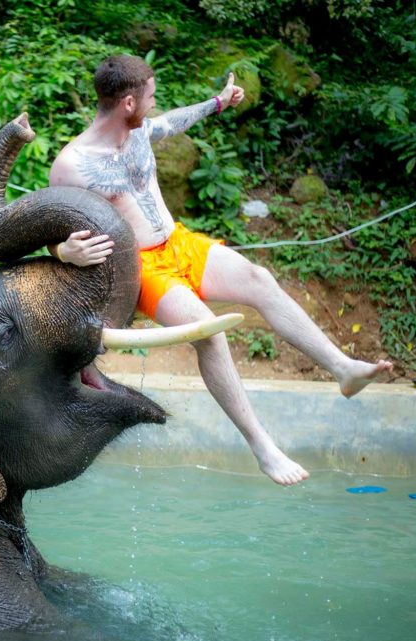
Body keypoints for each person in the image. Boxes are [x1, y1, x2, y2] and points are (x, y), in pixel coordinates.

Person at [48, 55, 393, 486]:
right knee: (207, 330)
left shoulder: (138, 133)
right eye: (151, 98)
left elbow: (173, 122)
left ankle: (342, 369)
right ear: (129, 103)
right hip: (142, 268)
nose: (155, 105)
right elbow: (49, 227)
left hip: (179, 241)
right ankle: (262, 446)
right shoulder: (72, 165)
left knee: (259, 280)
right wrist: (65, 252)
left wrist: (217, 103)